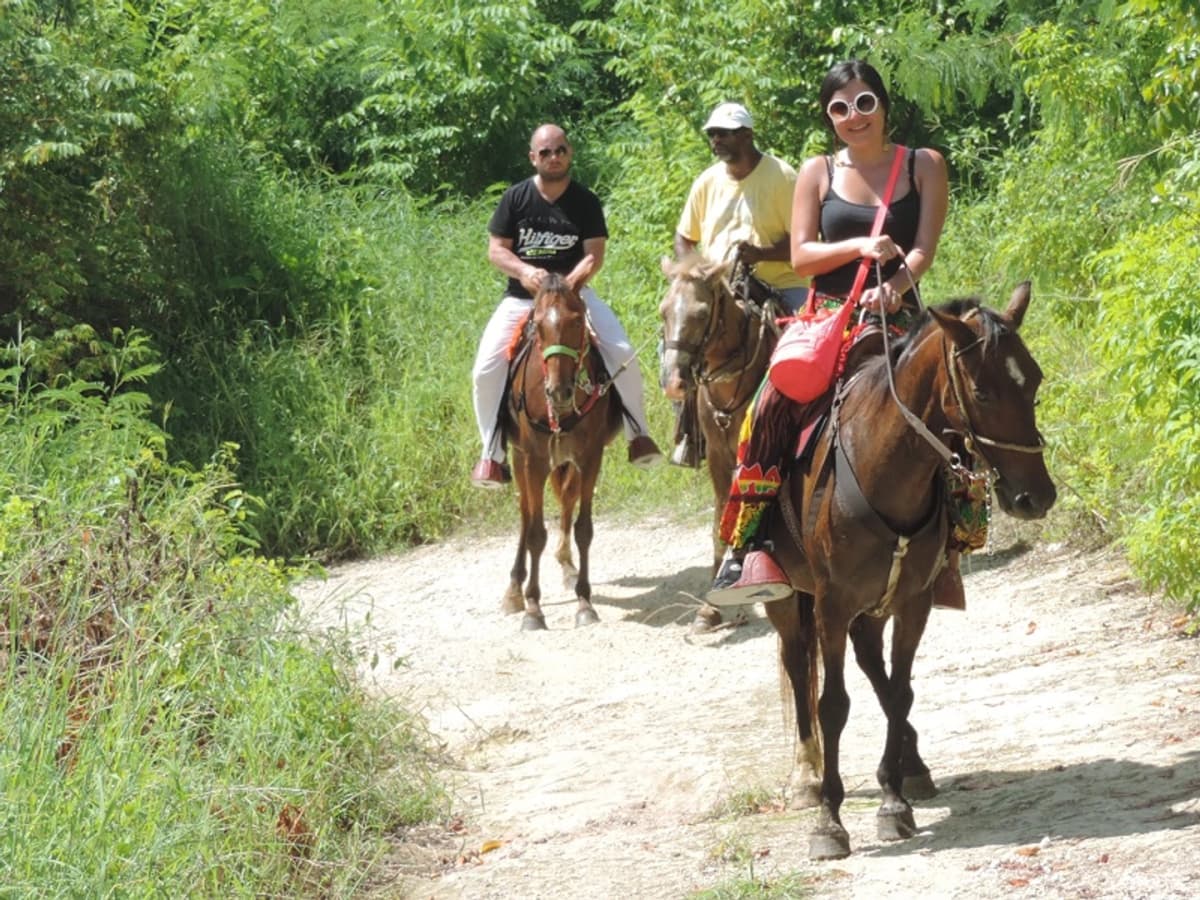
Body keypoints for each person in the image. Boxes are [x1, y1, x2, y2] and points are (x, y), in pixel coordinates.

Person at [706, 59, 962, 608]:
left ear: (884, 105)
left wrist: (894, 283)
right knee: (769, 407)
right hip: (827, 315)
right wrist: (858, 248)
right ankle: (748, 547)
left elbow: (922, 247)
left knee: (955, 400)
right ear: (829, 117)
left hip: (898, 316)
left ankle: (953, 544)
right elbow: (801, 257)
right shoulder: (817, 170)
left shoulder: (923, 165)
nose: (854, 116)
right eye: (840, 108)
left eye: (864, 103)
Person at [471, 123, 663, 487]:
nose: (554, 157)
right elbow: (496, 249)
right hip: (522, 298)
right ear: (533, 157)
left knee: (623, 353)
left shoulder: (585, 201)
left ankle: (638, 434)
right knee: (484, 370)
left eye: (560, 150)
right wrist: (525, 271)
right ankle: (491, 453)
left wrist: (570, 284)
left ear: (569, 153)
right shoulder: (516, 198)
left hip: (575, 297)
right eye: (545, 152)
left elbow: (594, 255)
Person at [670, 102, 808, 467]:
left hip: (779, 284)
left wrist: (761, 253)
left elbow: (804, 242)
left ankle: (808, 430)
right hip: (719, 285)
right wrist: (694, 269)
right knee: (677, 343)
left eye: (724, 133)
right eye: (712, 134)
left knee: (808, 346)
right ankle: (690, 433)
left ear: (747, 135)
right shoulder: (707, 180)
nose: (716, 141)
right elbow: (684, 237)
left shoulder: (782, 176)